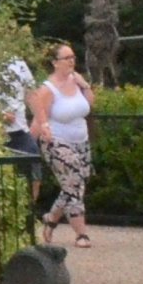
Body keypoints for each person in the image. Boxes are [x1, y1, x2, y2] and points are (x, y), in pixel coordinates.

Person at [25, 42, 93, 247]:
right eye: (67, 58)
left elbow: (89, 104)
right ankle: (81, 233)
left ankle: (52, 217)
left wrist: (85, 85)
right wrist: (29, 146)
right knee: (73, 181)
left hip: (81, 141)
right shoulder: (48, 89)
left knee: (76, 184)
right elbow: (39, 118)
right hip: (57, 142)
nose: (72, 61)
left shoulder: (76, 80)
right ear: (55, 63)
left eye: (73, 57)